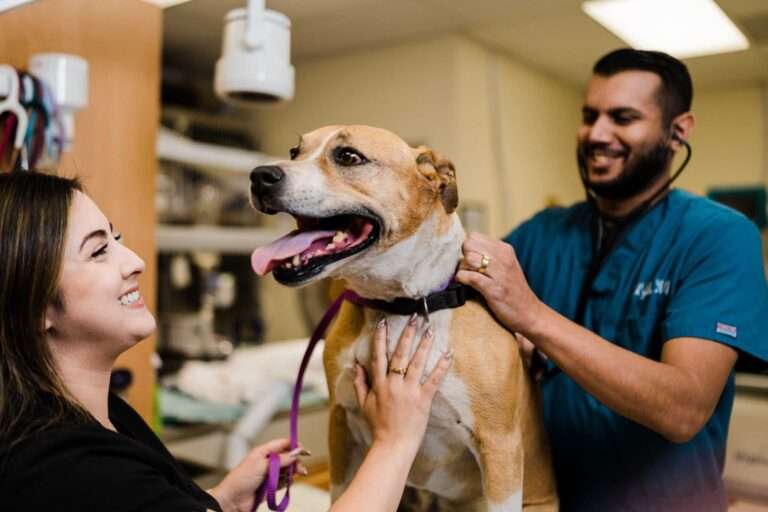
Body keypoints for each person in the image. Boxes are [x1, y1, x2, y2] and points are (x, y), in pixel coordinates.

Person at [0, 170, 451, 512]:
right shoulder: (65, 467)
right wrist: (395, 440)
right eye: (98, 250)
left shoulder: (103, 418)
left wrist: (217, 499)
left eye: (116, 240)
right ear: (33, 301)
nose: (135, 261)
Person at [456, 48, 768, 511]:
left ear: (677, 131)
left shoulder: (717, 236)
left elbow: (684, 409)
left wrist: (533, 318)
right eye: (589, 116)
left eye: (622, 118)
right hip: (550, 499)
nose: (596, 134)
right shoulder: (545, 232)